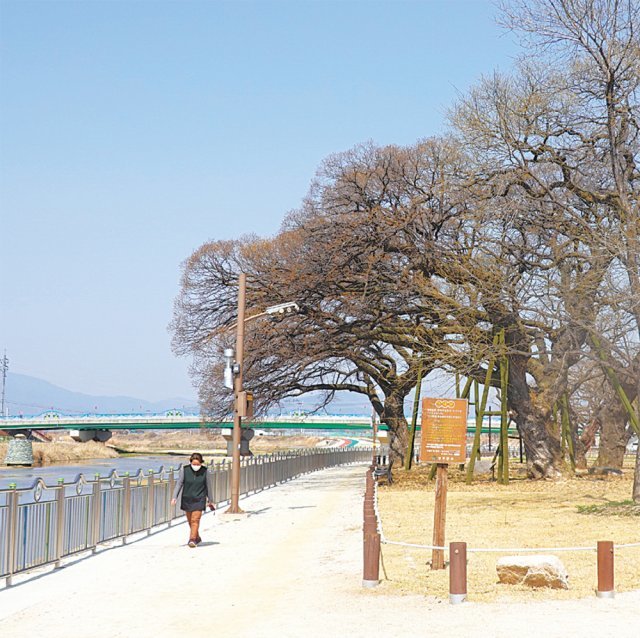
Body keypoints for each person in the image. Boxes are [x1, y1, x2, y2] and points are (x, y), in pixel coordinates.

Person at [171, 452, 214, 547]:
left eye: (198, 464)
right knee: (190, 520)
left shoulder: (205, 471)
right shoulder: (185, 470)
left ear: (201, 463)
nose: (196, 466)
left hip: (200, 499)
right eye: (194, 464)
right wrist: (174, 497)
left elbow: (208, 486)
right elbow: (179, 483)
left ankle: (192, 540)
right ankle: (197, 537)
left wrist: (210, 500)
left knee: (195, 519)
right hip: (187, 498)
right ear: (190, 462)